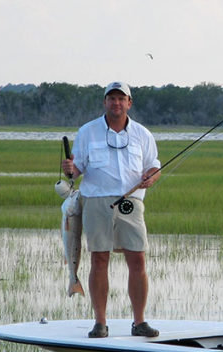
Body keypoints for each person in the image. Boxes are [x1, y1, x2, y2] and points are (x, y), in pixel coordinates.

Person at [61, 82, 161, 338]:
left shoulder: (142, 134)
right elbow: (79, 167)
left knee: (137, 258)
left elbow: (153, 166)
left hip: (131, 202)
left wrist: (151, 177)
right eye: (111, 98)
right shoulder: (88, 132)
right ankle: (100, 322)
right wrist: (71, 170)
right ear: (104, 102)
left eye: (121, 98)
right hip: (96, 201)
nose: (116, 103)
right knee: (99, 258)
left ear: (129, 103)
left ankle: (139, 322)